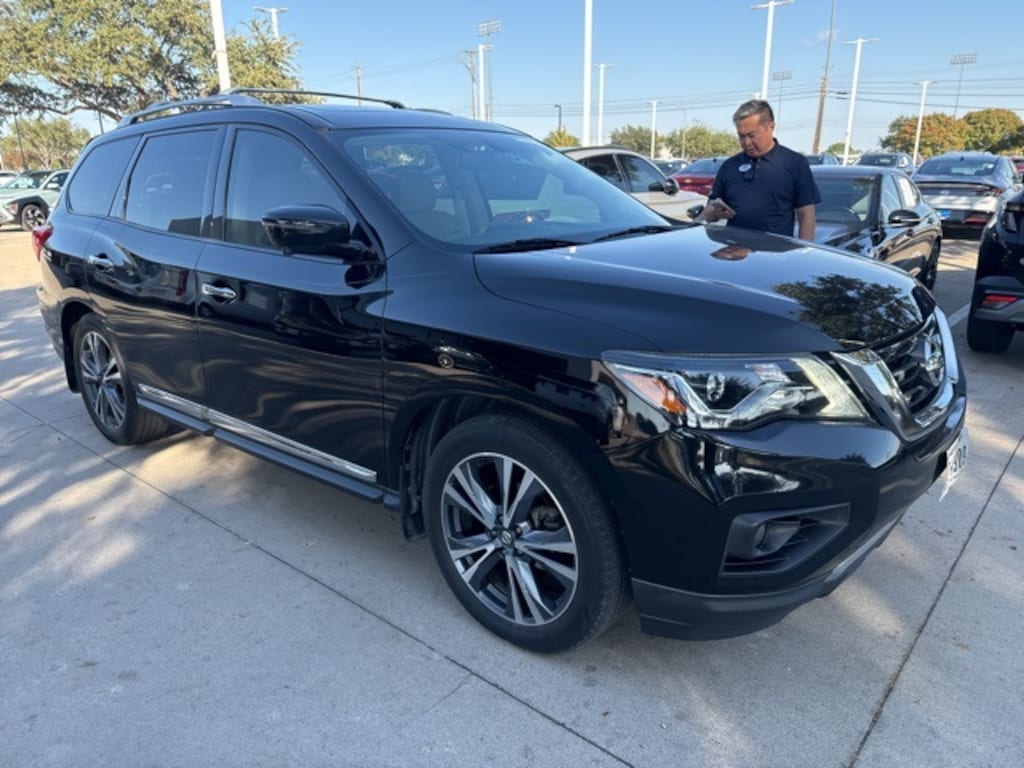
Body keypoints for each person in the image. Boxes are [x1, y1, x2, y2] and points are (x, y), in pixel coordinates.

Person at [700, 99, 820, 240]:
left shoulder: (794, 163)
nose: (746, 143)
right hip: (736, 254)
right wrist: (713, 212)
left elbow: (806, 215)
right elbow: (707, 214)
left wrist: (802, 255)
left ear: (771, 127)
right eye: (741, 136)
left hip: (776, 256)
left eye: (752, 135)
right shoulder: (729, 166)